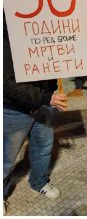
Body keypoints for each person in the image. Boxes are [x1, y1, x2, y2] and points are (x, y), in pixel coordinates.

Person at [3, 15, 68, 214]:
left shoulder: (42, 31)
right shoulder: (5, 39)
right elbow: (6, 84)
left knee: (43, 148)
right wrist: (45, 97)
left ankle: (39, 181)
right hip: (14, 109)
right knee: (6, 157)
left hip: (43, 104)